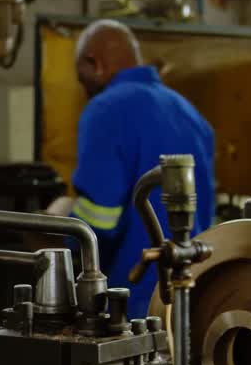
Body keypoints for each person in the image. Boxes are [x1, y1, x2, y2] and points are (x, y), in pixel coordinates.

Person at [49, 19, 215, 320]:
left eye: (82, 80)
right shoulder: (188, 112)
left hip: (136, 300)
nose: (85, 91)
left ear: (93, 63)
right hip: (195, 293)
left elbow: (99, 223)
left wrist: (63, 225)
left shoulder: (106, 110)